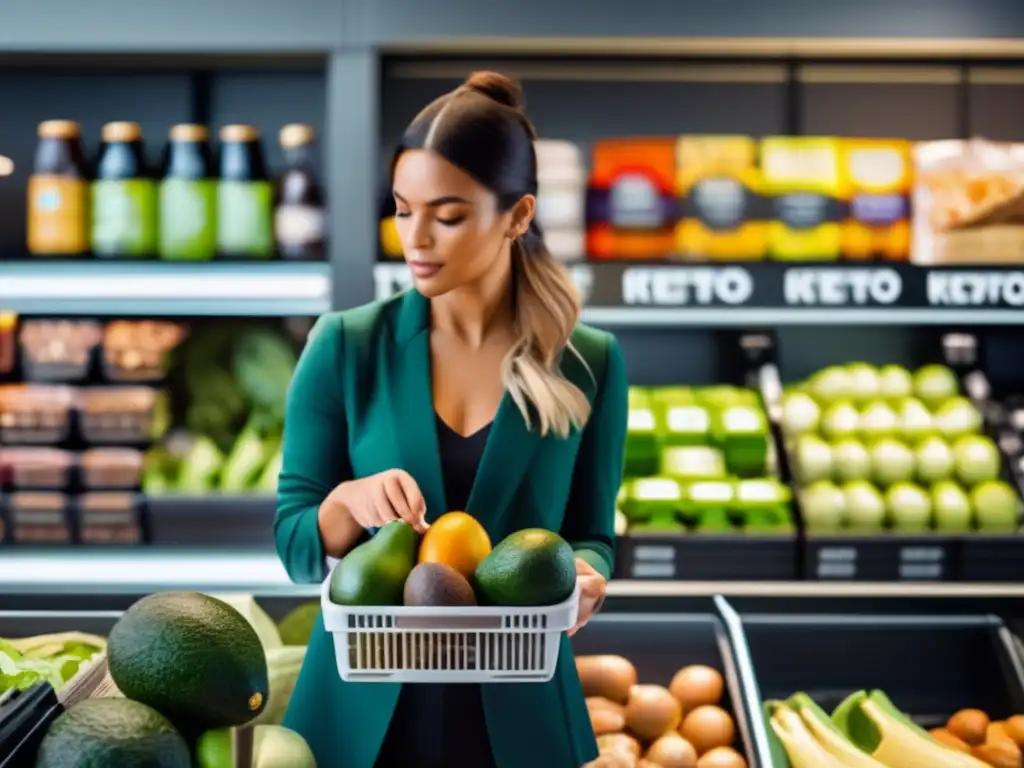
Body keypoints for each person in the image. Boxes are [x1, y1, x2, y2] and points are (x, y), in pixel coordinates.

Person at [274, 69, 628, 768]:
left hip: (518, 709)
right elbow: (294, 542)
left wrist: (586, 575)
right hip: (360, 709)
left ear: (518, 216)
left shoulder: (589, 361)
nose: (417, 237)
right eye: (404, 209)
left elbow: (591, 534)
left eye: (449, 213)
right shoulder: (345, 345)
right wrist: (349, 501)